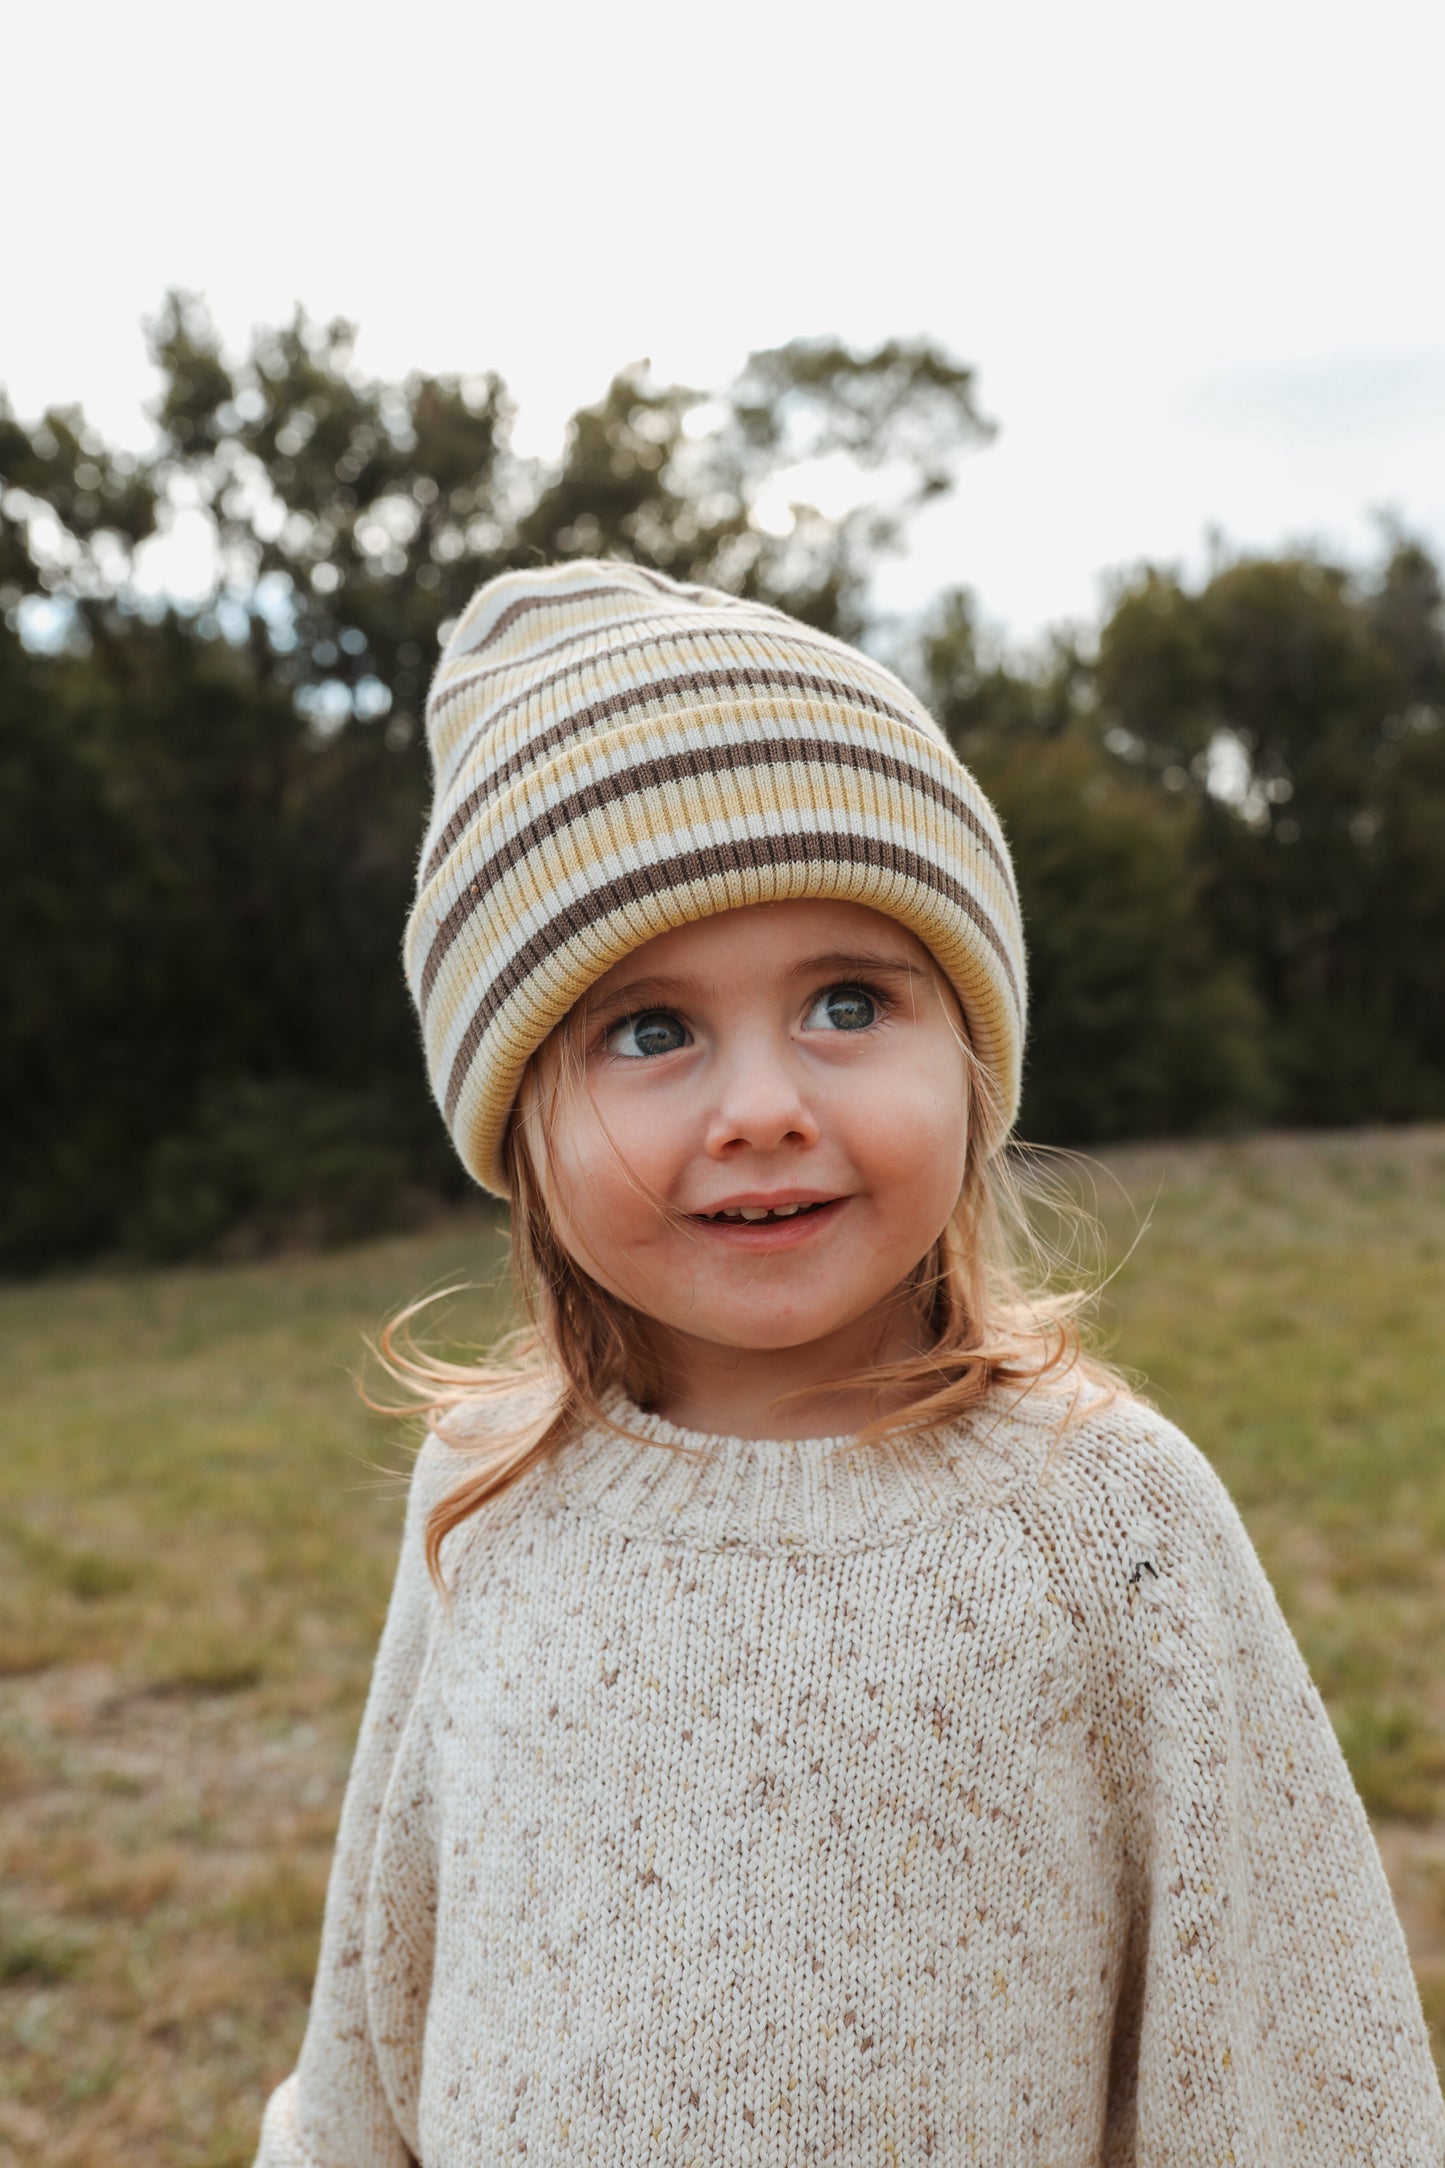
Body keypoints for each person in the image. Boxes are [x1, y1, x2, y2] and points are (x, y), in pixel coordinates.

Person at [254, 560, 1443, 2165]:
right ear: (513, 1118)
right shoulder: (483, 1492)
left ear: (968, 1050)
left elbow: (1291, 2064)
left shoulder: (1106, 1523)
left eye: (843, 999)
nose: (761, 1104)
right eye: (648, 1031)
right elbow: (379, 1988)